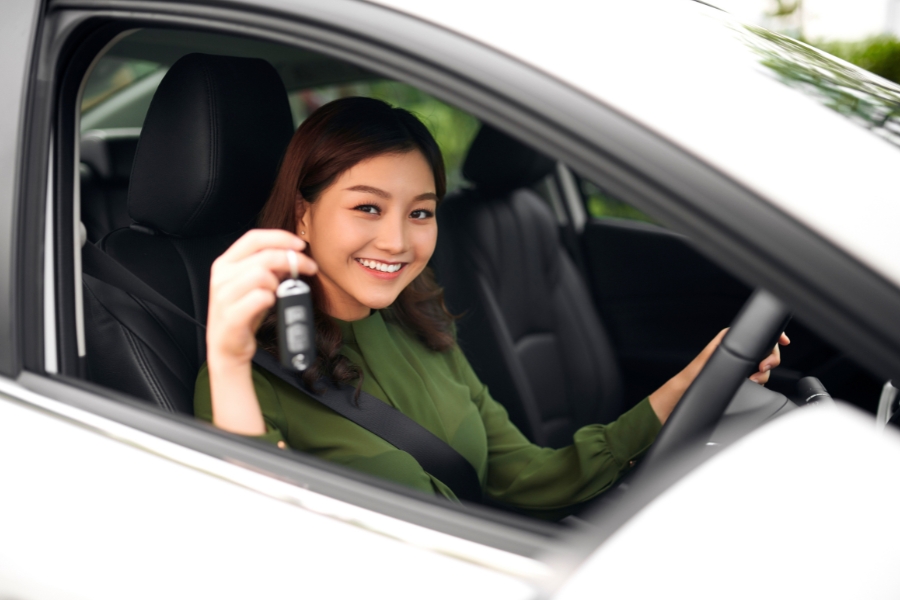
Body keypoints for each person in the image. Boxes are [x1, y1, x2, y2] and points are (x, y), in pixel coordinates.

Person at [194, 96, 787, 514]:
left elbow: (528, 478)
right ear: (303, 214)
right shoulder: (245, 380)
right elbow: (253, 532)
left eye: (420, 212)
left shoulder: (422, 330)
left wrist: (691, 383)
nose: (397, 241)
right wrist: (227, 358)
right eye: (367, 208)